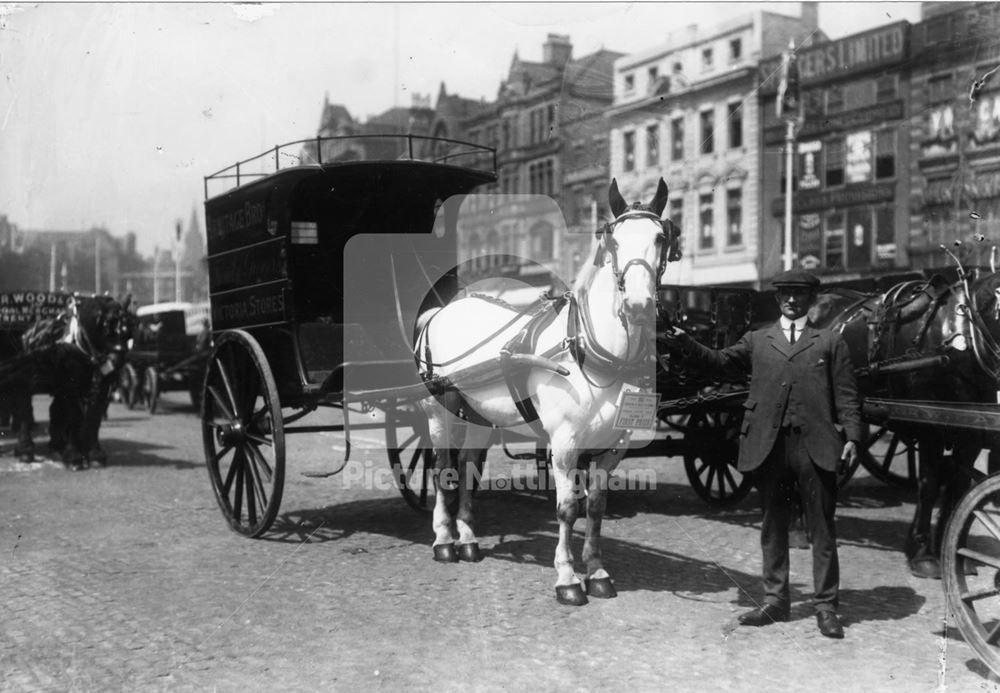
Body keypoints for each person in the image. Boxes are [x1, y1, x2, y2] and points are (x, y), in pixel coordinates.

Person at [663, 268, 861, 639]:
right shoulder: (758, 340)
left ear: (810, 300)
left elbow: (848, 395)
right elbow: (719, 362)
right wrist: (684, 342)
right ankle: (775, 601)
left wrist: (853, 436)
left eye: (799, 295)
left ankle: (826, 607)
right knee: (773, 527)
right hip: (770, 449)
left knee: (822, 529)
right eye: (785, 294)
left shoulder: (829, 342)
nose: (791, 300)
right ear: (777, 299)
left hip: (814, 446)